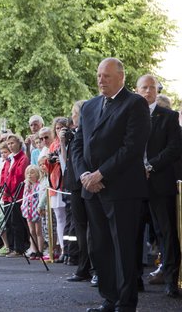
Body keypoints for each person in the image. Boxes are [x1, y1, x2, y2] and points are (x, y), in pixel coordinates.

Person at [72, 58, 150, 312]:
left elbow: (132, 147)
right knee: (100, 247)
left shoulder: (134, 103)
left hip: (122, 190)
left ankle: (126, 304)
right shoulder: (89, 106)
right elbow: (77, 145)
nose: (100, 80)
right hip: (91, 190)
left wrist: (101, 174)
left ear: (121, 77)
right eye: (98, 75)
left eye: (106, 76)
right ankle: (109, 298)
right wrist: (84, 174)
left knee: (123, 248)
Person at [135, 74, 181, 298]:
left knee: (166, 233)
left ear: (156, 90)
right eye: (143, 87)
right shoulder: (128, 115)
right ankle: (134, 280)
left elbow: (174, 148)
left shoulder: (169, 117)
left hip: (160, 183)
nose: (147, 91)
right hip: (133, 184)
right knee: (133, 233)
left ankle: (172, 280)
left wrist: (150, 166)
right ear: (136, 90)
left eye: (151, 87)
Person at [63, 100, 93, 282]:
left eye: (74, 114)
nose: (72, 117)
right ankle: (83, 268)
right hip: (74, 185)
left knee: (93, 229)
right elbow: (67, 160)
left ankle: (96, 269)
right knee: (81, 229)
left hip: (88, 184)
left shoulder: (89, 133)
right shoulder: (73, 135)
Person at [0, 134, 29, 258]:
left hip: (17, 195)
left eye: (13, 143)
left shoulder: (23, 158)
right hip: (7, 195)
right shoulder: (9, 159)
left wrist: (8, 189)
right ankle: (11, 246)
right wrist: (2, 188)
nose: (11, 146)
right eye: (9, 144)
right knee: (8, 221)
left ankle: (19, 248)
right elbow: (3, 174)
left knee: (16, 222)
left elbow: (18, 176)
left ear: (19, 143)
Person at [45, 117, 70, 263]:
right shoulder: (53, 144)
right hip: (55, 182)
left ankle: (69, 248)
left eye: (62, 128)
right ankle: (62, 248)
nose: (59, 130)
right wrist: (49, 159)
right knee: (59, 217)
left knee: (69, 218)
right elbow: (48, 167)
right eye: (57, 128)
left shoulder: (70, 141)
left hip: (66, 182)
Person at [21, 165, 44, 259]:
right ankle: (33, 250)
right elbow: (24, 198)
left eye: (32, 172)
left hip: (36, 211)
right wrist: (23, 207)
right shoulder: (27, 186)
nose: (29, 175)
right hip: (28, 210)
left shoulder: (39, 186)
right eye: (28, 173)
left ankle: (40, 250)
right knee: (31, 231)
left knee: (39, 231)